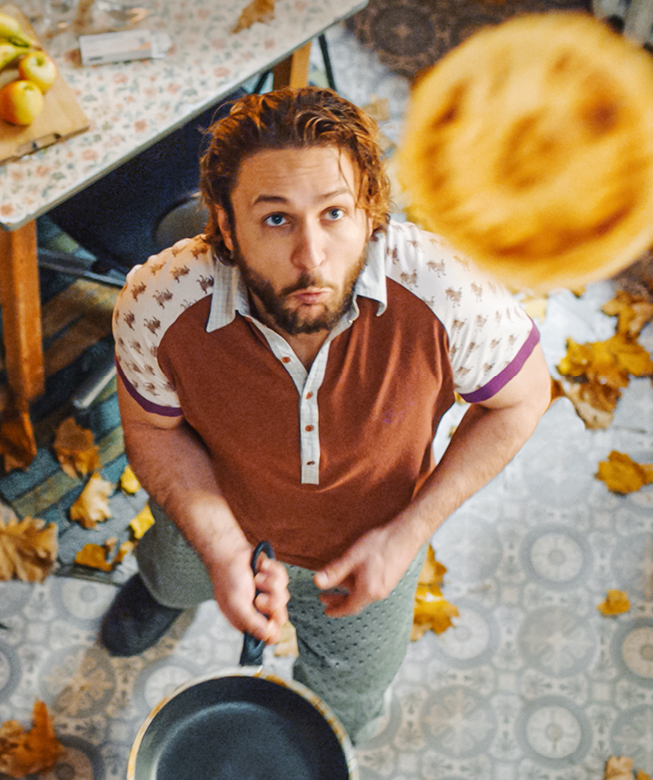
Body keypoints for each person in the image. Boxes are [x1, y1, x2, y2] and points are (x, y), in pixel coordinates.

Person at [101, 86, 551, 742]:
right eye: (276, 219)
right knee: (171, 575)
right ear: (225, 224)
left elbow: (522, 398)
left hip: (375, 543)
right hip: (214, 513)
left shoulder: (448, 292)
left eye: (334, 214)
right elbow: (150, 430)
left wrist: (407, 534)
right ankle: (166, 593)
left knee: (347, 697)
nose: (311, 258)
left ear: (369, 212)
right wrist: (223, 549)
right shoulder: (157, 300)